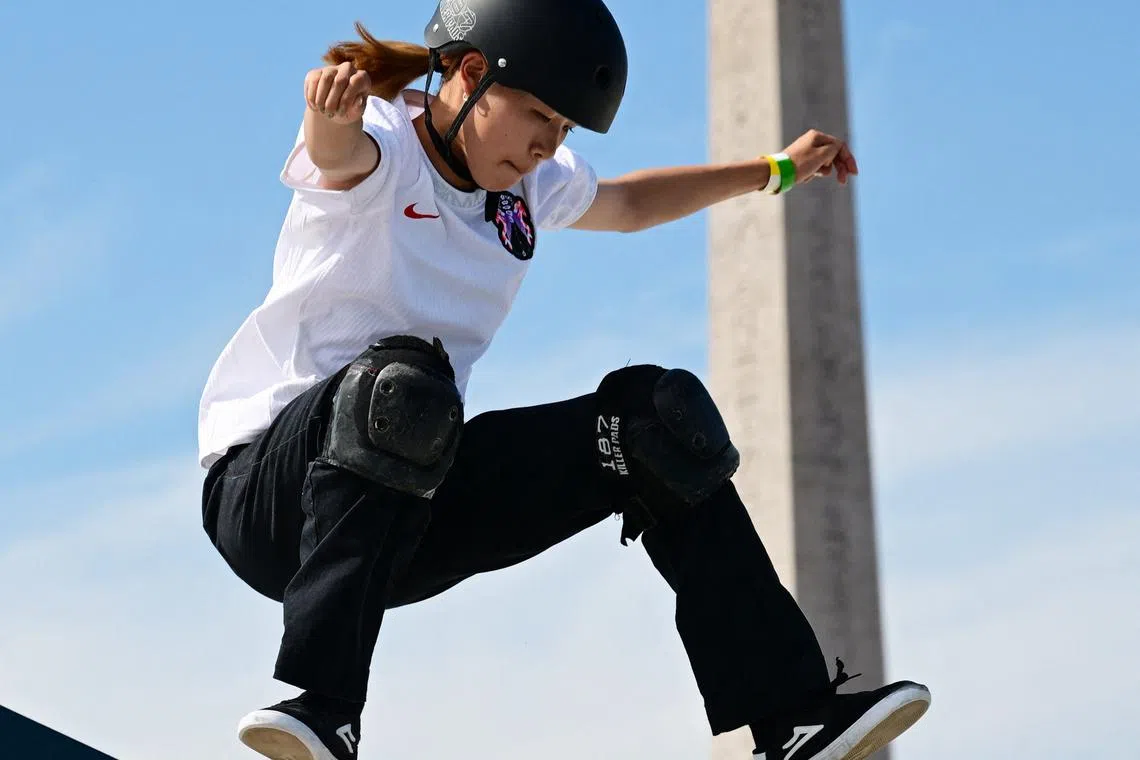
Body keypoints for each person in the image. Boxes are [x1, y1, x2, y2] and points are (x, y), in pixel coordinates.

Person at [198, 0, 931, 758]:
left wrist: (773, 170)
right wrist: (328, 118)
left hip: (401, 508)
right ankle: (322, 710)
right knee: (406, 385)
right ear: (472, 74)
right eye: (539, 116)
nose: (547, 145)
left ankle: (791, 715)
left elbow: (631, 202)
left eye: (564, 130)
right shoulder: (384, 137)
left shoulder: (527, 186)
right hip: (269, 498)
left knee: (651, 420)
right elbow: (339, 154)